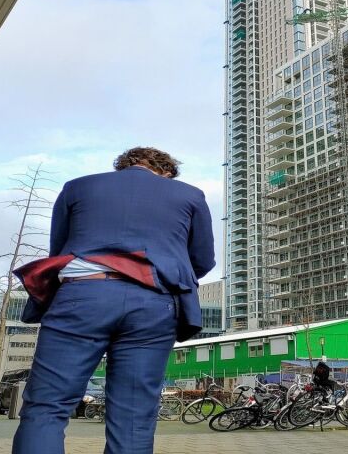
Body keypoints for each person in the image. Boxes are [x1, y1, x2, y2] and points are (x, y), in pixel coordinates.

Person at [12, 147, 215, 454]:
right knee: (134, 419)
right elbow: (201, 260)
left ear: (123, 167)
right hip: (153, 303)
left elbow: (61, 249)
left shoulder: (78, 187)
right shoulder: (189, 195)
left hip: (82, 296)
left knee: (46, 408)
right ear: (167, 172)